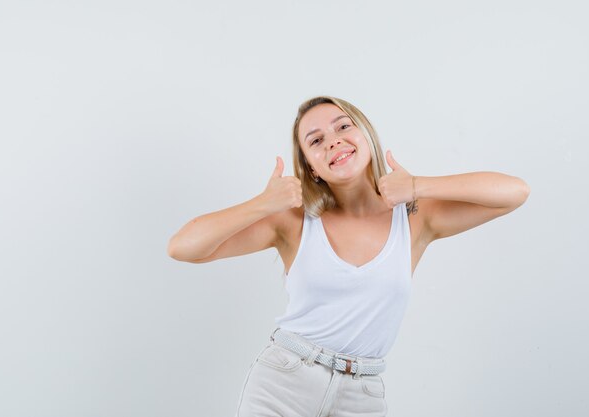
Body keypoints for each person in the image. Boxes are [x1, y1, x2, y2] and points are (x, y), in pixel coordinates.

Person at [167, 96, 530, 416]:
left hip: (363, 395)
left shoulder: (415, 219)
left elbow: (514, 192)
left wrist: (417, 185)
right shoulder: (294, 222)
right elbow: (183, 247)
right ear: (311, 167)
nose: (334, 140)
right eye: (316, 141)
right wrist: (263, 204)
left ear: (366, 136)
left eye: (343, 126)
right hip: (284, 382)